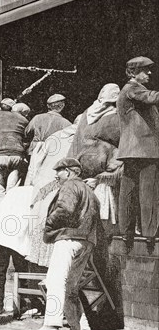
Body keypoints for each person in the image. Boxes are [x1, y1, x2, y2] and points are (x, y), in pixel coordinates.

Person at [26, 158, 101, 330]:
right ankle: (80, 329)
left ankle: (51, 325)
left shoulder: (69, 186)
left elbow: (65, 210)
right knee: (70, 288)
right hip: (86, 242)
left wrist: (48, 223)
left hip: (68, 238)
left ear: (68, 172)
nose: (56, 175)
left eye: (59, 171)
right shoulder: (89, 191)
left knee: (55, 281)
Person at [68, 83, 122, 235]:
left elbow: (76, 143)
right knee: (105, 215)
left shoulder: (87, 113)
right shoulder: (116, 116)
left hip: (83, 168)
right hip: (105, 171)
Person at [116, 57, 159, 246]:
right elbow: (151, 97)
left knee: (129, 192)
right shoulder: (132, 88)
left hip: (130, 150)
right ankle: (150, 234)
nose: (149, 73)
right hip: (145, 150)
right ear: (133, 73)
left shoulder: (128, 90)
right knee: (148, 192)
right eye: (145, 70)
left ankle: (126, 232)